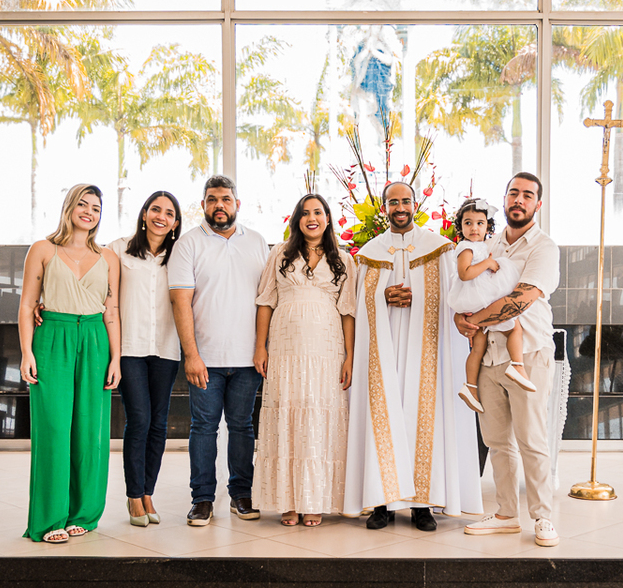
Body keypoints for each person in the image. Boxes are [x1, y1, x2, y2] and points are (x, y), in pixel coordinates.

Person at [344, 181, 483, 531]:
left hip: (427, 352)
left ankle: (423, 504)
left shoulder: (438, 249)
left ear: (415, 204)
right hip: (384, 351)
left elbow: (454, 296)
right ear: (384, 208)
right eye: (393, 202)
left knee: (426, 420)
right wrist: (382, 297)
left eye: (405, 201)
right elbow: (358, 304)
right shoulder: (370, 253)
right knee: (383, 417)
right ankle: (383, 503)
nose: (400, 207)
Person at [454, 173, 561, 548]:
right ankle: (505, 514)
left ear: (537, 204)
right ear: (504, 198)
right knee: (497, 441)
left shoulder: (543, 248)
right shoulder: (488, 242)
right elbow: (466, 287)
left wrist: (473, 319)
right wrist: (459, 316)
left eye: (527, 195)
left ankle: (543, 517)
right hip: (489, 357)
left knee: (531, 439)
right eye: (513, 193)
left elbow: (523, 297)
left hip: (527, 352)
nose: (519, 199)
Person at [19, 184, 121, 544]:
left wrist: (116, 359)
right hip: (53, 339)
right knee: (53, 429)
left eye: (96, 207)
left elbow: (112, 311)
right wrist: (27, 352)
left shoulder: (109, 257)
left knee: (90, 431)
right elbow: (28, 305)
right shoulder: (43, 249)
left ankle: (84, 513)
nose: (89, 212)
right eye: (83, 204)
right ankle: (49, 519)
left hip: (95, 340)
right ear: (69, 207)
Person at [169, 176, 269, 526]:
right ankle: (202, 499)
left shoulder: (257, 243)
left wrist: (262, 348)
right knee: (203, 428)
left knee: (242, 427)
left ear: (237, 204)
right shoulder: (188, 244)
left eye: (226, 199)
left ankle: (241, 494)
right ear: (204, 205)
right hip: (205, 359)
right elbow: (180, 303)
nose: (219, 206)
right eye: (212, 200)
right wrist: (191, 355)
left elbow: (266, 302)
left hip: (248, 358)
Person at [252, 194, 357, 527]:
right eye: (305, 213)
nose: (312, 218)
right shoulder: (280, 254)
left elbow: (349, 311)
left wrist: (350, 357)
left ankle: (315, 499)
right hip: (285, 348)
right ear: (296, 219)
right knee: (287, 415)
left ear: (328, 218)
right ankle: (288, 500)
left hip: (327, 350)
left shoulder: (344, 259)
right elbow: (266, 301)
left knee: (320, 419)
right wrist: (260, 346)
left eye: (318, 212)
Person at [108, 191, 183, 527]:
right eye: (155, 209)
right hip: (131, 348)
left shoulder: (180, 255)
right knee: (138, 420)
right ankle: (133, 495)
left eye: (169, 213)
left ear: (175, 222)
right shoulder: (118, 249)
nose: (161, 216)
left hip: (166, 348)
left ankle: (148, 492)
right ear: (144, 214)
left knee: (158, 424)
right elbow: (101, 291)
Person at [447, 197, 536, 414]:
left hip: (478, 296)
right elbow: (464, 273)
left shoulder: (479, 246)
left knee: (479, 346)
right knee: (514, 326)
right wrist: (487, 263)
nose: (474, 228)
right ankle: (517, 365)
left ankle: (470, 387)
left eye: (480, 223)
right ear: (461, 227)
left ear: (487, 226)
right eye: (468, 223)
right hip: (478, 295)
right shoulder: (466, 247)